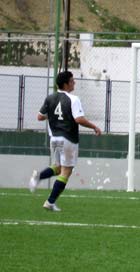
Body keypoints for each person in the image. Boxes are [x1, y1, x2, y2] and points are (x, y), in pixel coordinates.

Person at [29, 71, 102, 212]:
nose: (74, 82)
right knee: (66, 171)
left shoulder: (50, 98)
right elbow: (79, 119)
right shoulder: (73, 99)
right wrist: (94, 127)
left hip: (54, 138)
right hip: (68, 139)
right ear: (66, 84)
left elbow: (40, 117)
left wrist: (53, 115)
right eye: (72, 80)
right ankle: (50, 202)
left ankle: (38, 176)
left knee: (57, 168)